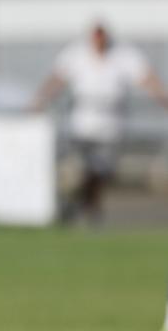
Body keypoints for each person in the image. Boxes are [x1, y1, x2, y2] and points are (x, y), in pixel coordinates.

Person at [33, 23, 168, 223]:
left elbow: (146, 78)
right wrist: (40, 100)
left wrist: (163, 98)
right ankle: (86, 206)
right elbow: (57, 79)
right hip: (82, 125)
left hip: (111, 126)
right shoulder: (76, 54)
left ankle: (86, 204)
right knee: (81, 169)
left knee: (102, 170)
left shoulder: (123, 56)